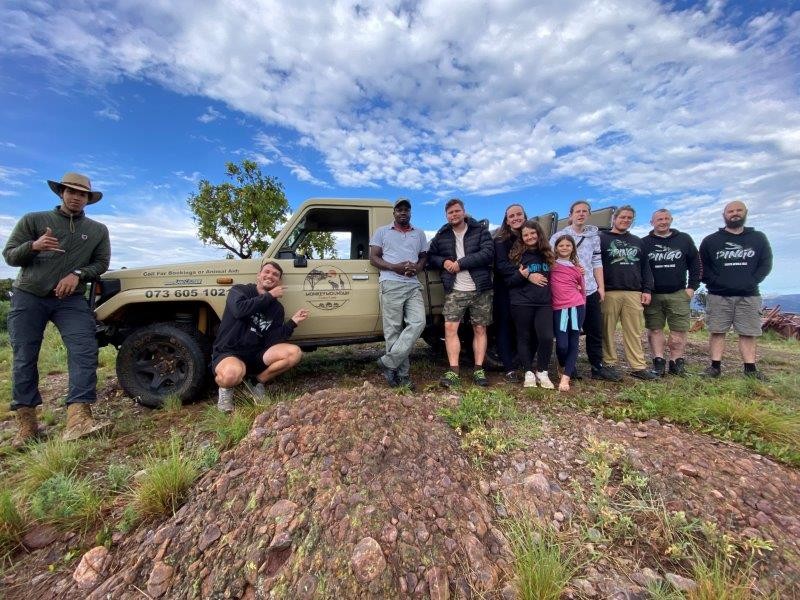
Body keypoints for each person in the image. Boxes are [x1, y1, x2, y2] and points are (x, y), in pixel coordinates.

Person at [3, 172, 111, 447]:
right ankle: (27, 426)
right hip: (29, 296)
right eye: (71, 191)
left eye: (82, 193)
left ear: (88, 198)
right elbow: (10, 255)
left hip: (70, 299)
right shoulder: (34, 220)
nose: (76, 197)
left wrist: (77, 273)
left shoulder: (98, 230)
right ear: (61, 193)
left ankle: (78, 419)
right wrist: (34, 246)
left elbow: (101, 264)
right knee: (25, 356)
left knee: (84, 350)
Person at [212, 261, 309, 412]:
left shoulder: (277, 309)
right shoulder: (240, 291)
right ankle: (226, 390)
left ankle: (256, 382)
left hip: (256, 355)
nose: (270, 276)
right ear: (259, 275)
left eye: (275, 275)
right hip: (230, 352)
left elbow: (272, 340)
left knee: (294, 353)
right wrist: (269, 296)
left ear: (279, 281)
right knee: (231, 375)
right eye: (267, 272)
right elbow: (239, 310)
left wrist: (292, 323)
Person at [699, 200, 772, 379]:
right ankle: (714, 367)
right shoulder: (711, 241)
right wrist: (715, 282)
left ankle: (750, 369)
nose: (735, 213)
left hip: (748, 294)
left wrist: (752, 280)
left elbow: (766, 263)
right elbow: (702, 266)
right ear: (724, 215)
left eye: (739, 210)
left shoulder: (758, 238)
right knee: (717, 331)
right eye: (731, 211)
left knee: (748, 332)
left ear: (746, 213)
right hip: (718, 294)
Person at [427, 198, 494, 387]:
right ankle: (453, 371)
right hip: (455, 288)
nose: (454, 215)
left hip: (480, 288)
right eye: (450, 212)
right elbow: (431, 256)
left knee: (480, 329)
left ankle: (479, 369)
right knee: (449, 328)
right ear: (446, 215)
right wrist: (443, 262)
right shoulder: (441, 235)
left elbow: (488, 253)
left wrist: (461, 263)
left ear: (464, 212)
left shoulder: (480, 230)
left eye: (457, 211)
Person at [550, 201, 619, 381]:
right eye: (577, 211)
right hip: (567, 294)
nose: (581, 214)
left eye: (584, 211)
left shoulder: (594, 237)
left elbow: (597, 263)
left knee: (594, 330)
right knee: (569, 332)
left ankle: (597, 366)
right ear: (571, 215)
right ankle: (566, 366)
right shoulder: (559, 236)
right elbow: (550, 261)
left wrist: (601, 287)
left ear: (588, 214)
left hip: (589, 289)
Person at [369, 198, 428, 389]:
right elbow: (373, 257)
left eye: (407, 210)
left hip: (412, 284)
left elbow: (423, 256)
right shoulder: (382, 232)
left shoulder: (418, 233)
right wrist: (395, 267)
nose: (403, 212)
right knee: (393, 330)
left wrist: (417, 268)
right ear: (394, 213)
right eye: (399, 209)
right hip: (391, 283)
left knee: (419, 322)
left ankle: (389, 361)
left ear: (410, 213)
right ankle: (401, 375)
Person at [599, 205, 657, 380]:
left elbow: (645, 267)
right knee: (606, 330)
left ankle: (637, 366)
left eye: (629, 218)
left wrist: (647, 289)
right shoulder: (601, 239)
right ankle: (608, 363)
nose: (625, 220)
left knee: (633, 330)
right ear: (614, 218)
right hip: (609, 291)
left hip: (633, 291)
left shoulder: (638, 242)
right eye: (622, 217)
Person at [642, 209, 700, 376]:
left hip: (678, 292)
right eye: (659, 219)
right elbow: (640, 268)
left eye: (666, 218)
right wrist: (645, 289)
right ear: (652, 222)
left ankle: (676, 362)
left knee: (679, 330)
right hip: (653, 293)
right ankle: (658, 361)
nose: (663, 222)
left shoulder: (684, 240)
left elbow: (695, 264)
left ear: (671, 220)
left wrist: (692, 287)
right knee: (654, 329)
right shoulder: (644, 243)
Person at [506, 220, 555, 389]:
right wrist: (523, 275)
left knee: (547, 337)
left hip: (544, 302)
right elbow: (509, 282)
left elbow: (559, 274)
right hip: (521, 302)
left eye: (532, 233)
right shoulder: (517, 255)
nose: (529, 237)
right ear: (522, 237)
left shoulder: (548, 254)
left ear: (539, 233)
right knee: (524, 336)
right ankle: (528, 372)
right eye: (525, 234)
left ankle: (542, 371)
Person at [493, 204, 527, 383]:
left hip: (527, 289)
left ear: (524, 216)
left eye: (519, 214)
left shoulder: (531, 237)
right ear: (507, 220)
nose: (515, 218)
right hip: (505, 289)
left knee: (523, 328)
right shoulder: (500, 240)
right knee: (505, 327)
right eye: (511, 216)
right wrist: (523, 272)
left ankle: (526, 363)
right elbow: (501, 266)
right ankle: (509, 367)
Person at [550, 235, 586, 392]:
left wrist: (581, 305)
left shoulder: (577, 268)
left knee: (574, 341)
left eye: (568, 245)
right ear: (556, 248)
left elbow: (582, 289)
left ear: (573, 248)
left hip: (576, 307)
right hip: (560, 310)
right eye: (561, 245)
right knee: (562, 344)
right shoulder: (551, 266)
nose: (564, 248)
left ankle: (566, 377)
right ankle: (563, 363)